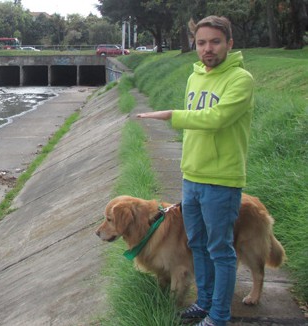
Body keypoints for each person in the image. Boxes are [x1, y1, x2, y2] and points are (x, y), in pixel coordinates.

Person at [137, 16, 254, 326]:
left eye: (215, 41)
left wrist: (171, 115)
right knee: (197, 245)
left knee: (220, 249)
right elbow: (193, 129)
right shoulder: (195, 77)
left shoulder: (241, 80)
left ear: (229, 43)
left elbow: (216, 118)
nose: (207, 49)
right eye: (201, 43)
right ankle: (203, 302)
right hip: (192, 178)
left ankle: (219, 315)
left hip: (222, 181)